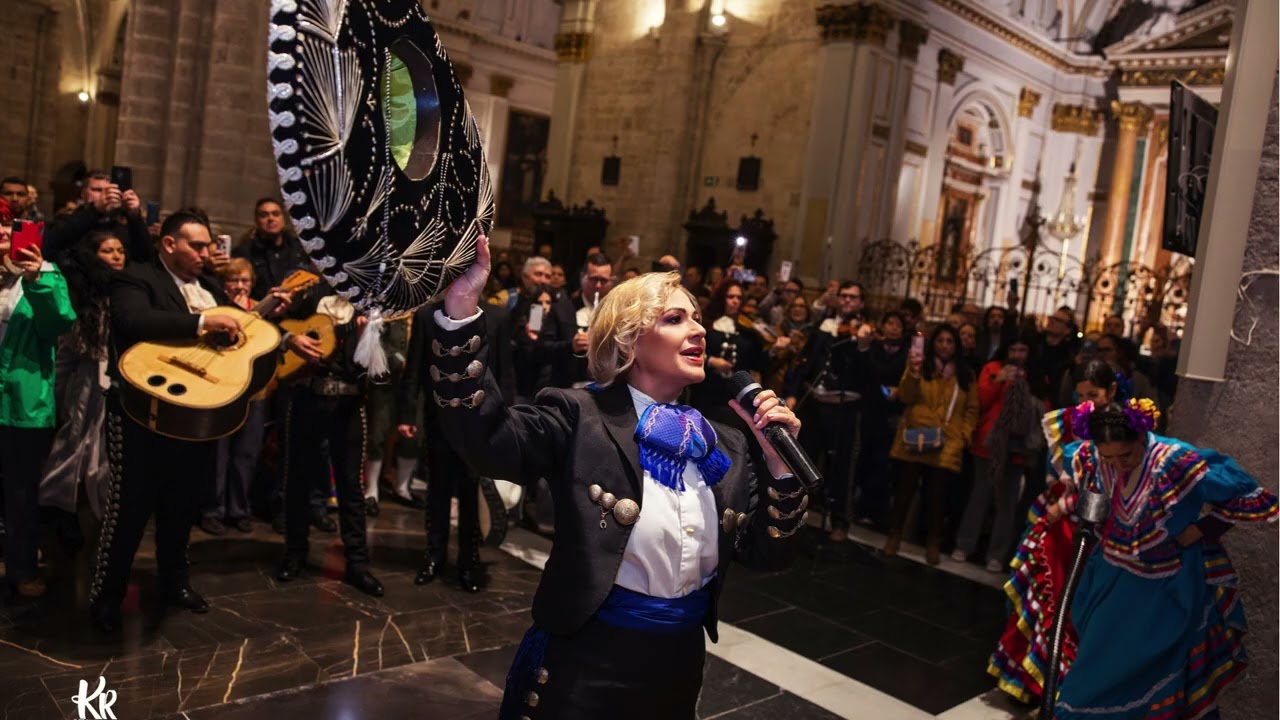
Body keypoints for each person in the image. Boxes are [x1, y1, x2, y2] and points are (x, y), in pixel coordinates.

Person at [429, 236, 808, 719]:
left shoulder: (724, 444)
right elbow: (485, 438)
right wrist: (461, 307)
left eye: (695, 318)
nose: (698, 330)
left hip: (678, 668)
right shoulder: (579, 415)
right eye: (674, 319)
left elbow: (768, 553)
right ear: (629, 341)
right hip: (587, 665)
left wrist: (780, 468)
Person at [1045, 401, 1276, 719]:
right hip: (1109, 580)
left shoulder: (1176, 461)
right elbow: (1095, 497)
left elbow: (1243, 495)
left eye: (1125, 455)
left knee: (1149, 677)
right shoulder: (1093, 457)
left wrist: (1201, 529)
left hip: (1162, 591)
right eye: (1108, 457)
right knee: (1089, 675)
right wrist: (1074, 505)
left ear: (1141, 436)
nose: (1117, 464)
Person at [89, 211, 245, 632]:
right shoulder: (136, 278)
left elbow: (235, 337)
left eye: (209, 245)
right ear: (170, 244)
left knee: (181, 508)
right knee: (129, 510)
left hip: (193, 417)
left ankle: (174, 584)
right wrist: (202, 322)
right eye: (196, 245)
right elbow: (133, 322)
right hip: (140, 411)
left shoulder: (211, 289)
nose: (206, 252)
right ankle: (108, 596)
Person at [988, 358, 1114, 703]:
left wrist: (1071, 505)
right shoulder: (1065, 421)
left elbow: (1115, 485)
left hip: (1096, 530)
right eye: (1081, 395)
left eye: (1096, 394)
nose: (1088, 402)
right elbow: (1053, 473)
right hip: (1058, 523)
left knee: (1076, 608)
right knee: (1044, 597)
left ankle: (1063, 689)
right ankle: (1028, 681)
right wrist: (1061, 502)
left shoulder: (1125, 427)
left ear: (1112, 391)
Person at [397, 298, 516, 592]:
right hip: (438, 418)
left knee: (471, 492)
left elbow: (504, 371)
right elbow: (415, 367)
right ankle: (434, 555)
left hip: (479, 421)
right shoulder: (428, 314)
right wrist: (407, 413)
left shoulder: (497, 316)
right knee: (437, 490)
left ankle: (468, 560)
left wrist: (507, 419)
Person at [273, 288, 385, 598]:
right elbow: (271, 324)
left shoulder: (370, 303)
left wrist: (367, 338)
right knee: (297, 479)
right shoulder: (309, 294)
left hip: (348, 407)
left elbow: (376, 372)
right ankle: (295, 553)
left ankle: (358, 564)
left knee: (351, 488)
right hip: (306, 398)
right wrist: (289, 340)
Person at [0, 234, 76, 599]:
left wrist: (36, 281)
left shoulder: (47, 273)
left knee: (20, 493)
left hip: (24, 399)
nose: (2, 232)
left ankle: (21, 567)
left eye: (8, 226)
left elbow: (59, 322)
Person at [40, 233, 125, 552]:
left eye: (120, 250)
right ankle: (59, 512)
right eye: (108, 250)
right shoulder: (84, 295)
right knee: (76, 443)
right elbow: (70, 350)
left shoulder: (126, 291)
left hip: (114, 381)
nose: (117, 256)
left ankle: (93, 517)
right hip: (87, 379)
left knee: (102, 453)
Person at [784, 281, 872, 541]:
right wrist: (792, 391)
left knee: (841, 466)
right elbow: (805, 359)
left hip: (843, 408)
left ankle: (839, 521)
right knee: (804, 459)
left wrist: (863, 346)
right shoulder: (825, 325)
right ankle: (793, 512)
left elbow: (868, 374)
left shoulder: (864, 331)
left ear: (861, 303)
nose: (847, 301)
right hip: (814, 403)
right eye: (843, 296)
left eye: (853, 298)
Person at [884, 324, 979, 564]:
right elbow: (905, 396)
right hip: (915, 438)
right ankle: (894, 535)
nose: (945, 346)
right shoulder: (920, 366)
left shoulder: (965, 375)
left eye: (949, 341)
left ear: (956, 345)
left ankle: (932, 542)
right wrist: (913, 373)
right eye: (940, 341)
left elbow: (972, 409)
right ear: (932, 344)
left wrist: (963, 436)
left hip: (946, 442)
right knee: (904, 491)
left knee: (937, 497)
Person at [953, 334, 1043, 572]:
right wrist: (998, 380)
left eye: (1023, 349)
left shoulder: (1034, 374)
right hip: (988, 444)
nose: (1017, 355)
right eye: (1013, 348)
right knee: (979, 495)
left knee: (1007, 503)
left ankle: (997, 555)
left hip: (1016, 448)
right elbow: (979, 400)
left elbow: (1043, 410)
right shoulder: (992, 368)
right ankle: (965, 545)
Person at [199, 258, 269, 535]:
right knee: (217, 453)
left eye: (245, 281)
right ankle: (211, 510)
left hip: (254, 392)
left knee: (247, 453)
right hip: (222, 390)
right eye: (233, 280)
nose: (239, 286)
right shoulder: (216, 309)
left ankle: (239, 509)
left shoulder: (262, 310)